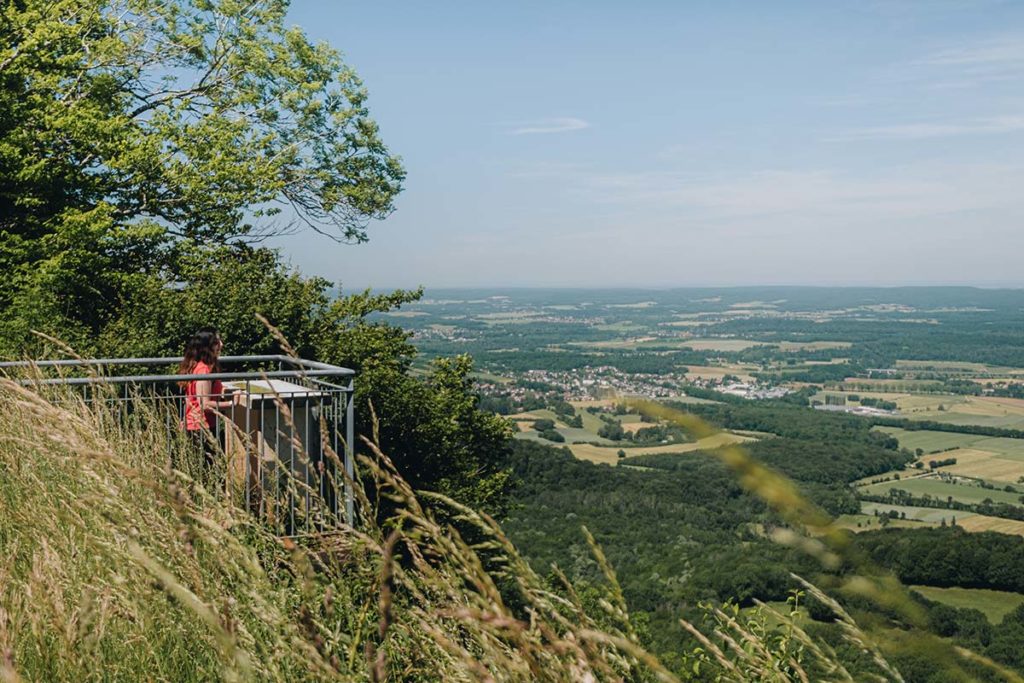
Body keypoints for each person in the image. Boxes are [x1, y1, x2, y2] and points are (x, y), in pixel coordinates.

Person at [177, 327, 241, 471]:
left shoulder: (197, 366)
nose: (221, 344)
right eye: (217, 342)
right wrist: (232, 403)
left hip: (195, 425)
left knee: (201, 471)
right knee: (210, 471)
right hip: (202, 428)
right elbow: (205, 404)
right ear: (208, 346)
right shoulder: (203, 370)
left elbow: (189, 399)